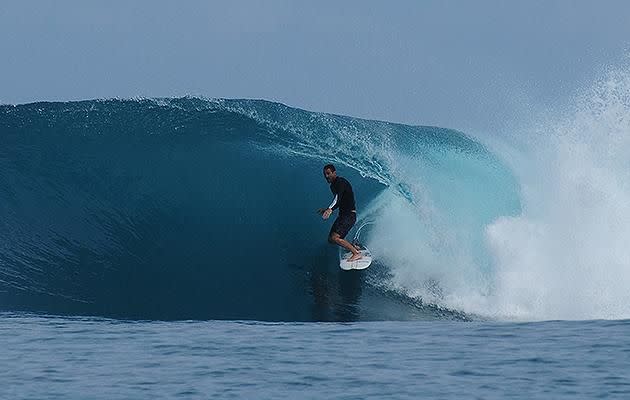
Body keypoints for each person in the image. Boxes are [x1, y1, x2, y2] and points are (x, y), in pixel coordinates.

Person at [317, 164, 362, 261]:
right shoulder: (333, 186)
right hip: (343, 216)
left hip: (349, 215)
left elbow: (337, 198)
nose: (326, 176)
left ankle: (356, 253)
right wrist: (327, 209)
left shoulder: (340, 182)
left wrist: (330, 209)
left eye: (328, 173)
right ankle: (354, 247)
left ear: (334, 173)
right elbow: (339, 201)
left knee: (335, 237)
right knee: (331, 239)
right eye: (325, 174)